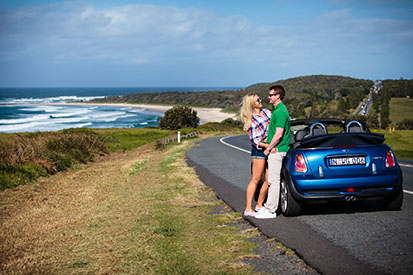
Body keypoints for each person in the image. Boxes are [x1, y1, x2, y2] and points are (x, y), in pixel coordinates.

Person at [255, 85, 290, 219]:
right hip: (276, 149)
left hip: (278, 150)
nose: (269, 97)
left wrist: (268, 148)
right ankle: (268, 207)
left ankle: (271, 210)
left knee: (274, 181)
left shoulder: (280, 111)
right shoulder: (277, 110)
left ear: (278, 96)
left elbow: (279, 134)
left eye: (271, 95)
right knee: (271, 180)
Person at [240, 93, 271, 217]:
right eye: (258, 100)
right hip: (259, 150)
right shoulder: (251, 119)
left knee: (269, 180)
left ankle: (259, 205)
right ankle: (248, 209)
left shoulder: (266, 112)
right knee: (256, 179)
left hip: (270, 147)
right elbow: (255, 141)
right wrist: (269, 146)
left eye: (260, 99)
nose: (260, 101)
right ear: (252, 103)